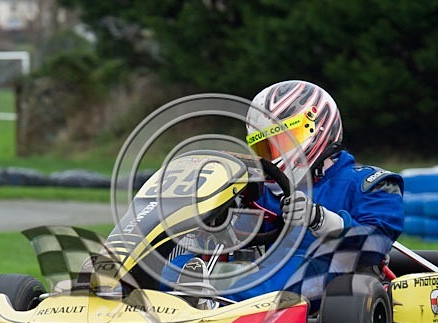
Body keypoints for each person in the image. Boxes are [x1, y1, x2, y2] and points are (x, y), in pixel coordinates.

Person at [174, 80, 405, 310]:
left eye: (280, 142)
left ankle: (222, 306)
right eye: (264, 147)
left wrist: (320, 219)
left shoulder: (370, 184)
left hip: (336, 275)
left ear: (316, 130)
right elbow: (243, 233)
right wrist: (218, 221)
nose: (272, 155)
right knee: (185, 258)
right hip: (268, 273)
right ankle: (165, 298)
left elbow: (376, 243)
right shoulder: (265, 189)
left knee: (294, 263)